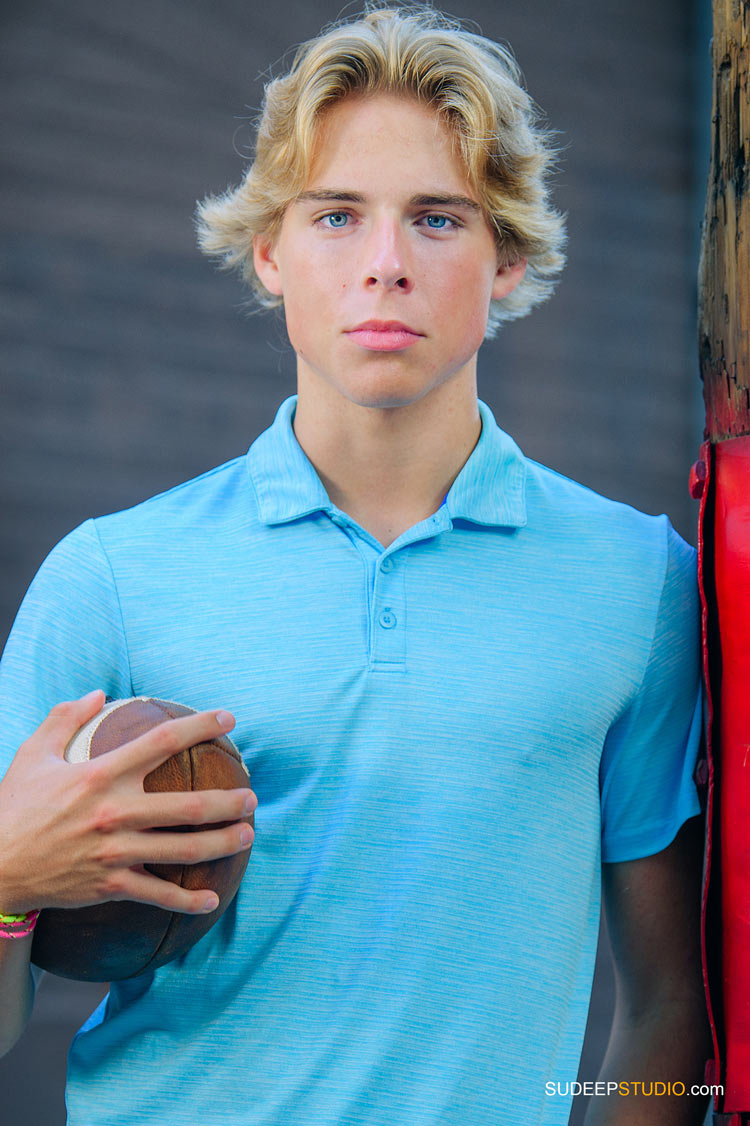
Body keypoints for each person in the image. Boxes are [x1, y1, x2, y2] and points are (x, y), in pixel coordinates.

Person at [0, 4, 711, 1124]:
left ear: (509, 257)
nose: (385, 265)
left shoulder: (639, 588)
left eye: (437, 218)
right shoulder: (111, 577)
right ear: (272, 253)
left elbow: (674, 1004)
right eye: (338, 215)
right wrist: (4, 887)